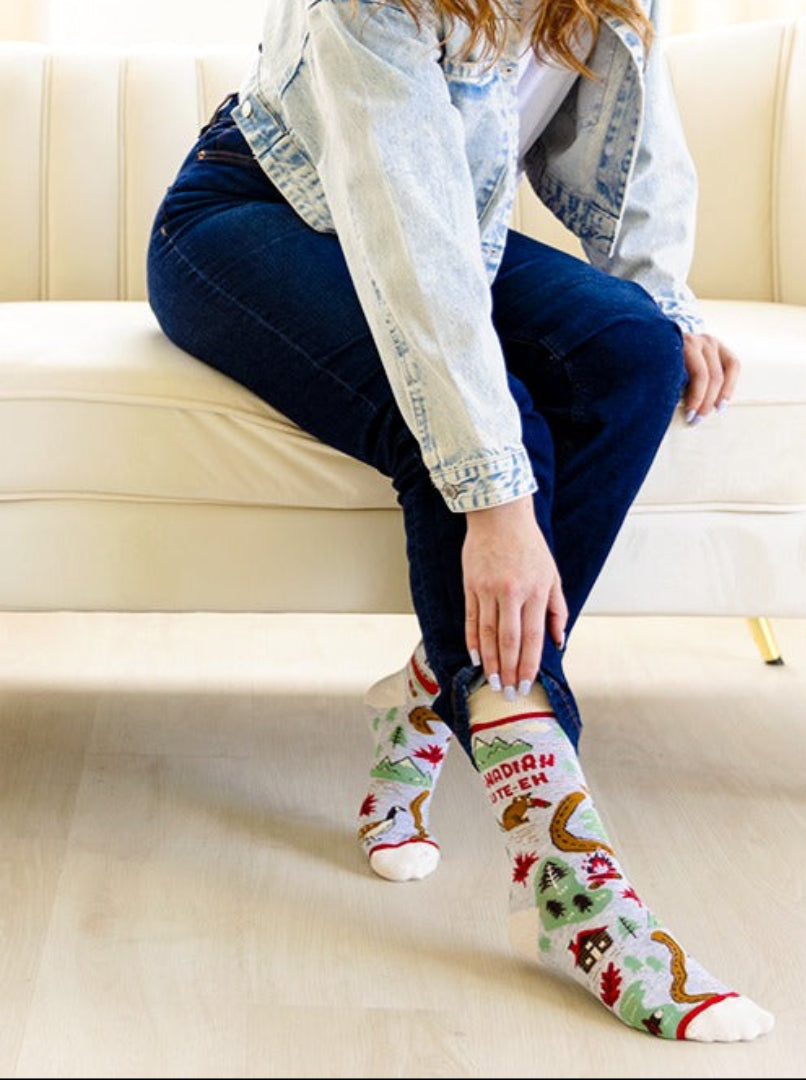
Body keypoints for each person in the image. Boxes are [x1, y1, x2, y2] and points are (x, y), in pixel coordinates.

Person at [146, 0, 774, 1043]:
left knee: (633, 354)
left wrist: (666, 302)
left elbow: (631, 145)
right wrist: (497, 501)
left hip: (439, 219)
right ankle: (568, 878)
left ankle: (432, 694)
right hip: (248, 215)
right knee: (474, 430)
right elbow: (408, 245)